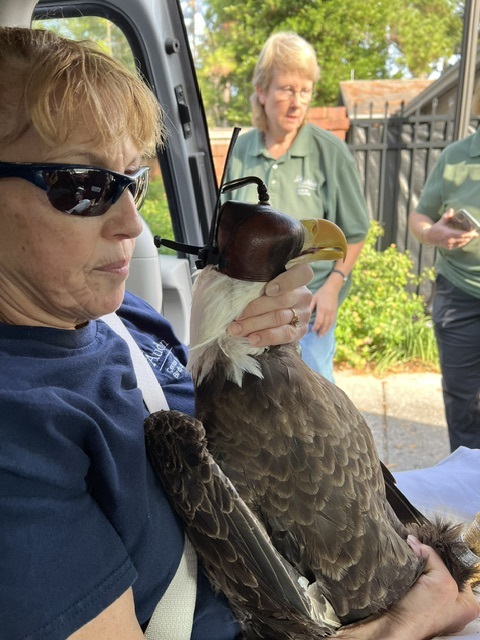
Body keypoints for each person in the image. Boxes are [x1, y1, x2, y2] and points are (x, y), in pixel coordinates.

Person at [0, 26, 477, 640]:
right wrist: (410, 622)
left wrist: (238, 344)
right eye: (82, 186)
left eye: (132, 180)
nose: (130, 221)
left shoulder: (123, 321)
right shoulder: (18, 433)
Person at [224, 31, 370, 383]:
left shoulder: (329, 153)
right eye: (286, 89)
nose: (296, 102)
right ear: (262, 91)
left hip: (307, 307)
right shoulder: (240, 150)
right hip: (249, 306)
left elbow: (355, 231)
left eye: (304, 91)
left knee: (316, 411)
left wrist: (333, 286)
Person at [409, 86, 480, 451]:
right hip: (459, 295)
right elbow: (419, 216)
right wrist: (431, 233)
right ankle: (471, 496)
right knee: (464, 405)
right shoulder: (455, 158)